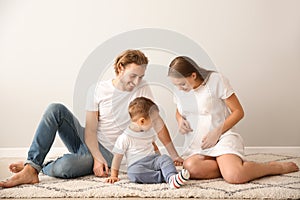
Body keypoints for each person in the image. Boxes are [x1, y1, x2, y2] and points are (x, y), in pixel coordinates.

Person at [0, 49, 183, 188]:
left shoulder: (142, 88)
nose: (136, 82)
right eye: (133, 76)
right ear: (120, 68)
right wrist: (96, 157)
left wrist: (173, 154)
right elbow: (90, 131)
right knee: (55, 109)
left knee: (66, 168)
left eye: (140, 77)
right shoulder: (97, 90)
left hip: (113, 154)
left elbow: (157, 123)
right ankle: (31, 168)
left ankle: (38, 165)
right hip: (92, 142)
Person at [167, 56, 299, 184]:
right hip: (200, 145)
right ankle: (227, 166)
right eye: (176, 85)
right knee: (190, 167)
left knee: (235, 176)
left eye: (182, 84)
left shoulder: (216, 80)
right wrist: (179, 120)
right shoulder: (180, 90)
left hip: (222, 137)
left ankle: (273, 167)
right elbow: (179, 110)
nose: (179, 88)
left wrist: (216, 132)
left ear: (193, 75)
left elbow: (238, 112)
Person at [105, 97, 190, 189]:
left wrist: (159, 158)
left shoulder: (149, 132)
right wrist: (114, 175)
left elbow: (154, 146)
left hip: (153, 160)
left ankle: (172, 177)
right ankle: (165, 177)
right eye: (153, 121)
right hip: (137, 164)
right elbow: (117, 157)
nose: (154, 124)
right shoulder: (125, 138)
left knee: (165, 158)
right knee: (133, 173)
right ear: (142, 121)